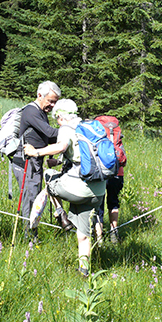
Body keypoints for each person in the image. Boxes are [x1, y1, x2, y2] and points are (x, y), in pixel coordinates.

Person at [24, 99, 107, 277]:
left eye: (57, 119)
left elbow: (61, 146)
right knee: (83, 233)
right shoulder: (89, 127)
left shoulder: (66, 128)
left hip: (79, 188)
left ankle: (60, 213)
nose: (57, 122)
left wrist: (35, 152)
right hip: (99, 190)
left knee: (48, 175)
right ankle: (84, 270)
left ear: (61, 116)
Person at [11, 81, 64, 238]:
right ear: (39, 95)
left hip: (35, 162)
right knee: (30, 197)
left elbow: (46, 136)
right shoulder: (31, 111)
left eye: (55, 102)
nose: (53, 105)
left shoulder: (41, 113)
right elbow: (50, 132)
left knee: (34, 196)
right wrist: (71, 131)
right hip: (25, 162)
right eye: (51, 101)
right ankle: (30, 237)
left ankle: (32, 234)